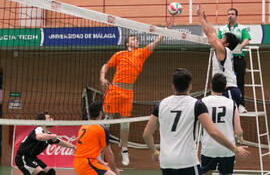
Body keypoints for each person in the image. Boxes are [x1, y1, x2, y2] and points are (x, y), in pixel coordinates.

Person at [143, 68, 249, 175]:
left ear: (173, 86)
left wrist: (154, 152)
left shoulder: (161, 105)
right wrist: (235, 148)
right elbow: (213, 131)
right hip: (187, 160)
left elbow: (147, 134)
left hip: (166, 161)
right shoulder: (196, 105)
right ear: (190, 86)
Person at [100, 17, 175, 166]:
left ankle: (124, 149)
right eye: (134, 39)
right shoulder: (119, 54)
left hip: (128, 93)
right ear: (128, 43)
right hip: (114, 90)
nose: (137, 41)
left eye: (136, 39)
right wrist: (102, 78)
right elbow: (105, 66)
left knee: (125, 124)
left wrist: (166, 31)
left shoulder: (141, 53)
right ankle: (102, 149)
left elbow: (155, 43)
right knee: (106, 122)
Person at [196, 5, 243, 109]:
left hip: (228, 91)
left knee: (230, 122)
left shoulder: (222, 49)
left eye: (222, 39)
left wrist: (199, 16)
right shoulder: (225, 49)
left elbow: (209, 33)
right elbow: (212, 32)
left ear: (226, 44)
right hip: (225, 90)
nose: (219, 39)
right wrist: (205, 18)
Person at [201, 73, 244, 175]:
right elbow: (238, 130)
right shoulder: (232, 103)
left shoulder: (202, 102)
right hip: (227, 148)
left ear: (211, 85)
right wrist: (240, 138)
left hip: (209, 147)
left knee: (206, 172)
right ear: (225, 87)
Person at [217, 8, 251, 113]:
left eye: (232, 14)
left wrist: (238, 48)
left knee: (239, 81)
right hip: (225, 59)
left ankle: (240, 105)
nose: (230, 16)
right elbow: (218, 41)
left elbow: (246, 39)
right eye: (228, 14)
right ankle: (223, 104)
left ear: (236, 16)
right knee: (223, 81)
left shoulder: (242, 28)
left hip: (238, 58)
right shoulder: (222, 29)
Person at [73, 102, 120, 175]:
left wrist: (102, 163)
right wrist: (114, 170)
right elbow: (108, 153)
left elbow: (87, 151)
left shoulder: (84, 126)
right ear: (101, 113)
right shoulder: (100, 128)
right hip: (86, 164)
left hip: (79, 163)